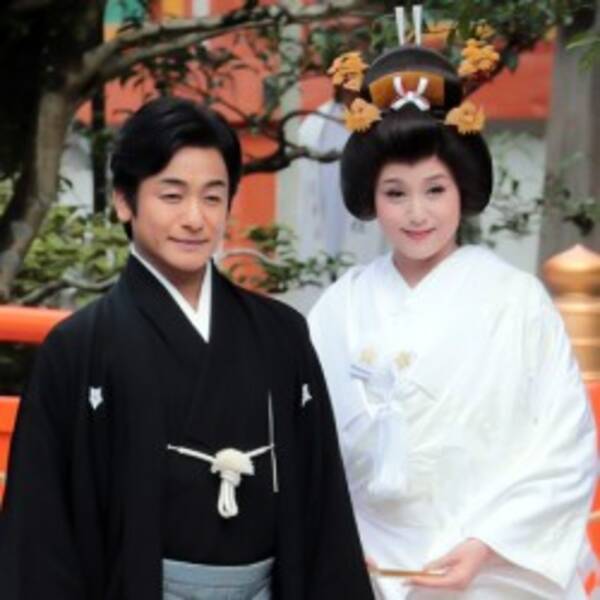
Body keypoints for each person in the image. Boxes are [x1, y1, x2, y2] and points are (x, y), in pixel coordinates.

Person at [0, 97, 374, 600]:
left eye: (212, 197)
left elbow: (322, 508)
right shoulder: (77, 350)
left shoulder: (281, 335)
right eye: (172, 196)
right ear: (125, 201)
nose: (195, 218)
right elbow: (42, 533)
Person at [308, 42, 598, 599]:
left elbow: (565, 443)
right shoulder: (338, 309)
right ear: (371, 197)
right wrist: (339, 541)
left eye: (435, 190)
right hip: (367, 565)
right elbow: (306, 445)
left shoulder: (516, 301)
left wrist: (486, 545)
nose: (417, 213)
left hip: (493, 569)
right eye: (395, 193)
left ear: (462, 189)